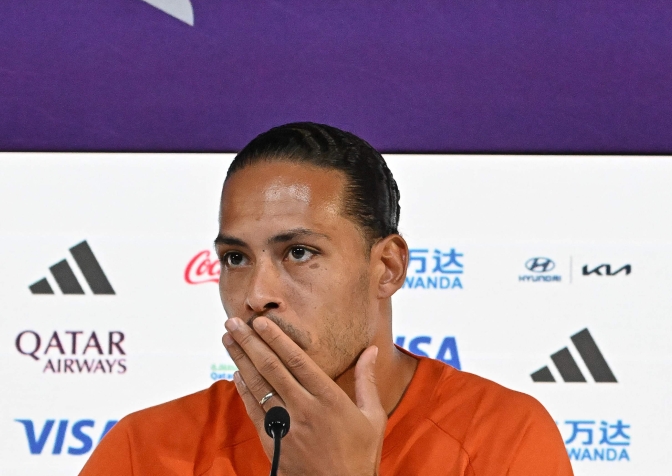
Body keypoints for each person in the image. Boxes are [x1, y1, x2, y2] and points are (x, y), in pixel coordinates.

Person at [81, 122, 572, 475]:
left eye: (299, 252)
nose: (257, 295)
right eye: (236, 258)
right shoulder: (143, 448)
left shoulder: (502, 436)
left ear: (387, 268)